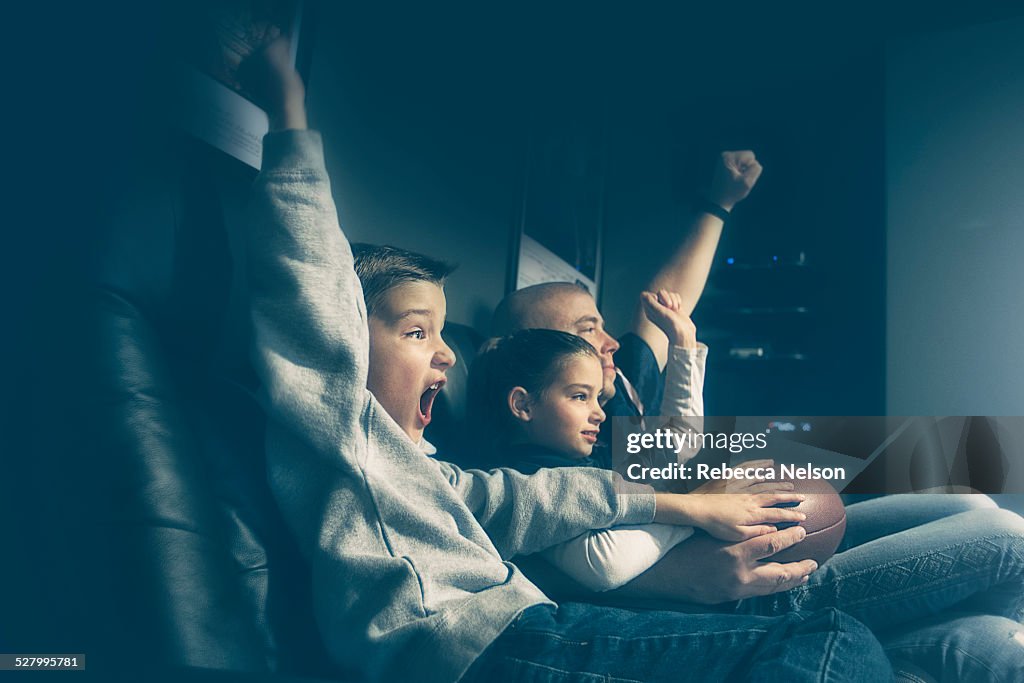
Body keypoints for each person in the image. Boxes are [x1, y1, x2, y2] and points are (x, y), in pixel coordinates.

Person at [234, 38, 894, 683]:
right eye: (416, 332)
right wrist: (288, 114)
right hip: (490, 641)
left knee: (953, 528)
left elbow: (533, 498)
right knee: (839, 629)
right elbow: (309, 295)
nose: (444, 352)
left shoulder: (442, 471)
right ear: (523, 379)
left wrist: (693, 479)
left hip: (529, 620)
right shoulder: (349, 434)